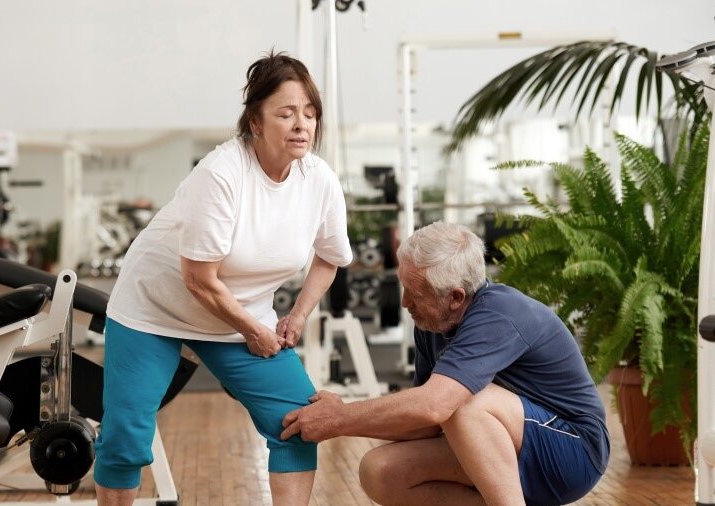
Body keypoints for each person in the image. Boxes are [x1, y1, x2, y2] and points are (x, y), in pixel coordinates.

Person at [94, 51, 353, 506]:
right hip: (155, 306)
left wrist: (296, 314)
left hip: (239, 312)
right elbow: (197, 278)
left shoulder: (319, 180)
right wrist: (254, 329)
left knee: (297, 423)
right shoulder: (221, 173)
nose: (301, 125)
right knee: (125, 439)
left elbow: (329, 257)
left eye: (310, 114)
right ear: (255, 122)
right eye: (287, 113)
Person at [280, 222, 609, 506]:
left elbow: (435, 406)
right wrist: (340, 416)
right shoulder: (432, 323)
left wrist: (338, 419)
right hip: (508, 449)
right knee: (381, 471)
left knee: (463, 402)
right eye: (404, 288)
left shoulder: (499, 315)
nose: (405, 302)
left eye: (415, 293)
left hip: (572, 452)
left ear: (455, 297)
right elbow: (423, 423)